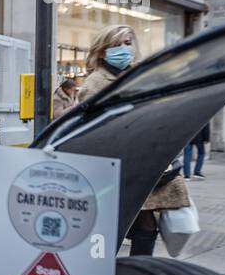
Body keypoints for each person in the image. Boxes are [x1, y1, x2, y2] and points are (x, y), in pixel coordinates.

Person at [77, 26, 189, 256]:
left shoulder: (139, 75)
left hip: (143, 161)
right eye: (116, 45)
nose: (124, 49)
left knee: (146, 226)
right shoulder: (95, 83)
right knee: (116, 229)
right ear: (101, 51)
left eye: (127, 43)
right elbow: (92, 131)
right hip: (114, 167)